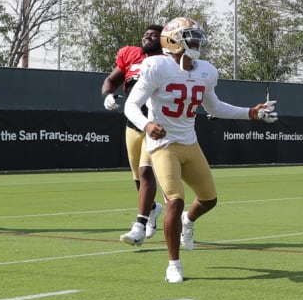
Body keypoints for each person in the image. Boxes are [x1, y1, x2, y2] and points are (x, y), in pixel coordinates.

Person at [125, 17, 278, 283]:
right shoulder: (156, 65)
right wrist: (147, 124)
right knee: (175, 199)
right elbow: (131, 105)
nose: (196, 41)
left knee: (209, 200)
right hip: (164, 145)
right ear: (172, 40)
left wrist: (250, 113)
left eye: (196, 36)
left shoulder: (205, 70)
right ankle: (173, 264)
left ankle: (189, 220)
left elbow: (215, 108)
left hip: (189, 141)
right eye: (189, 36)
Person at [101, 24, 167, 245]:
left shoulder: (168, 60)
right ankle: (153, 208)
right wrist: (107, 94)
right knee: (137, 177)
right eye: (146, 34)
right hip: (133, 121)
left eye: (154, 35)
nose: (148, 37)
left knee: (146, 173)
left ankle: (139, 225)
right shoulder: (130, 54)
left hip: (156, 122)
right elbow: (111, 80)